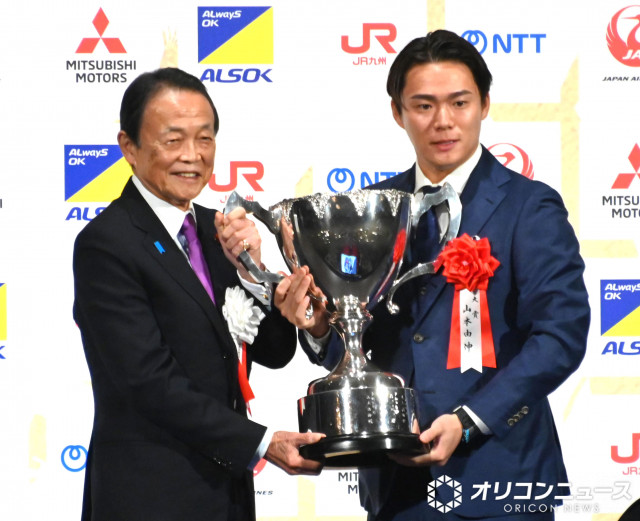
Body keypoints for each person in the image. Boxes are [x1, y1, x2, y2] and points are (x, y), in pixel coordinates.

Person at [275, 30, 590, 521]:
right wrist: (319, 327)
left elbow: (560, 336)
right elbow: (358, 348)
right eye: (423, 106)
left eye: (459, 102)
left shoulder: (530, 206)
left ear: (484, 104)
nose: (443, 121)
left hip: (500, 479)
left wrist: (470, 420)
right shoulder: (371, 211)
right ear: (397, 112)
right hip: (396, 485)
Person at [73, 67, 323, 521]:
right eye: (173, 140)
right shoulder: (106, 244)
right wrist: (262, 442)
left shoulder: (218, 230)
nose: (192, 155)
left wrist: (255, 276)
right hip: (148, 497)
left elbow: (272, 352)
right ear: (129, 147)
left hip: (226, 495)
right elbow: (148, 382)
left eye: (204, 139)